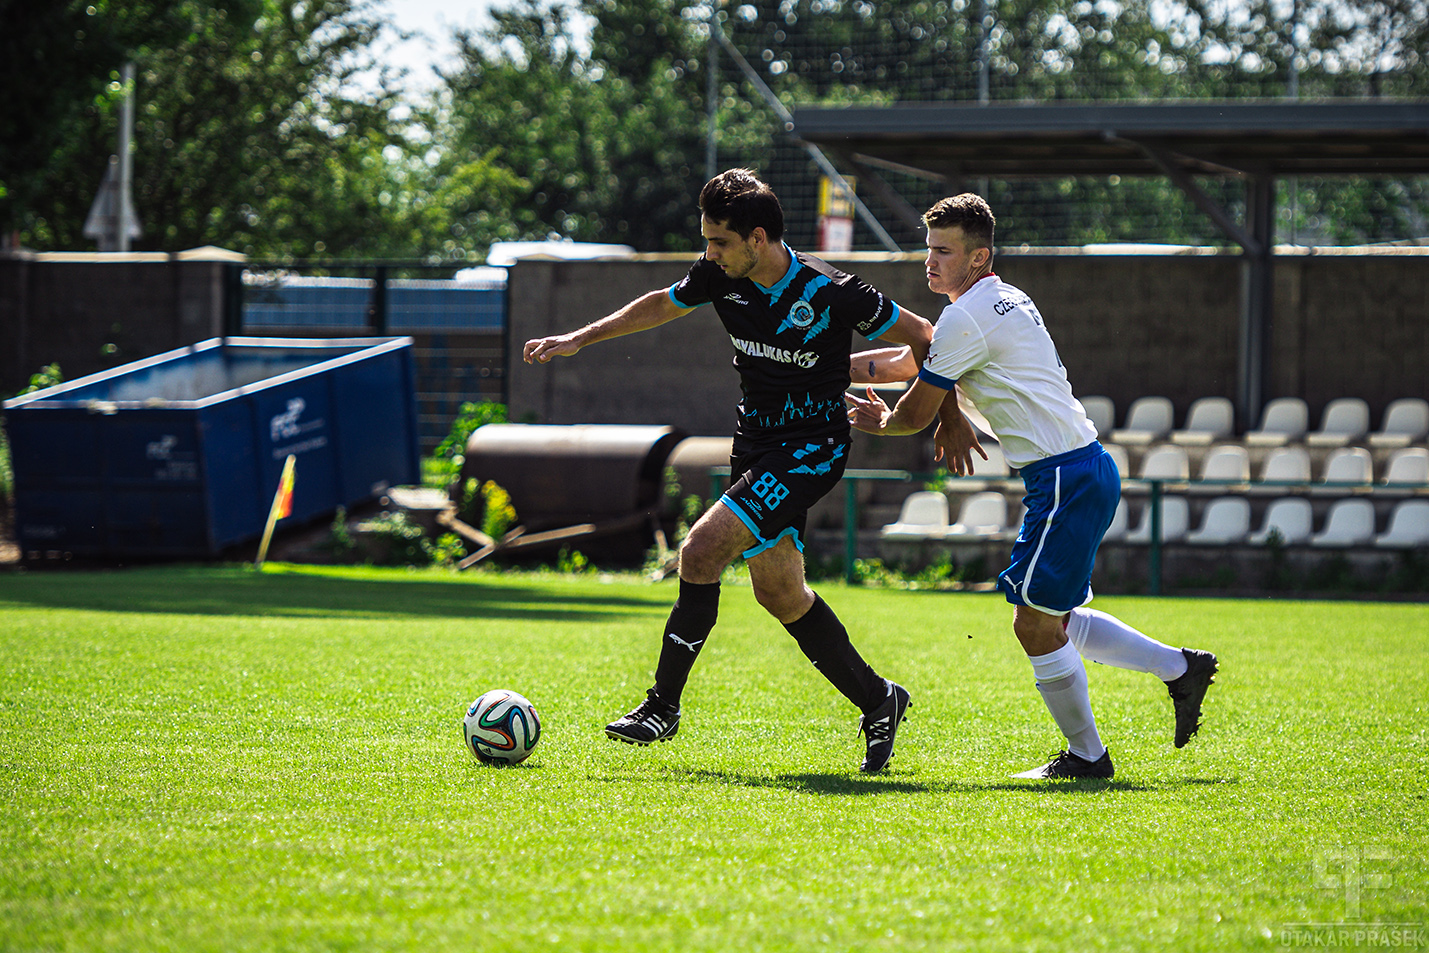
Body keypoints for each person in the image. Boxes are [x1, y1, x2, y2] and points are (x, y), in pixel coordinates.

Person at [523, 169, 935, 773]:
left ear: (757, 239)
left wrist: (936, 414)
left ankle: (662, 705)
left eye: (720, 242)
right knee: (780, 592)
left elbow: (923, 335)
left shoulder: (833, 290)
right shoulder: (719, 274)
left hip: (811, 450)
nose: (709, 253)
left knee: (700, 551)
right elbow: (661, 304)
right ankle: (879, 699)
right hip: (755, 447)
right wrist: (580, 338)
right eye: (707, 241)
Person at [846, 193, 1218, 780]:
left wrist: (883, 422)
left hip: (1065, 477)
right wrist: (832, 366)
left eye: (944, 251)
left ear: (979, 257)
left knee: (1034, 623)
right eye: (929, 249)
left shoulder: (966, 316)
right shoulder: (1003, 298)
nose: (930, 261)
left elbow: (915, 412)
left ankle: (1088, 758)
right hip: (1080, 470)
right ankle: (1180, 669)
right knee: (1054, 616)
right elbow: (916, 359)